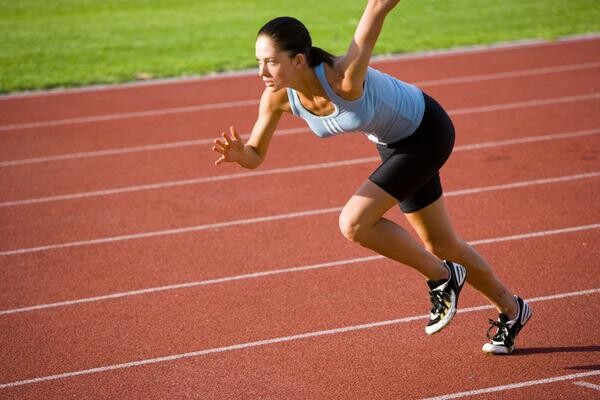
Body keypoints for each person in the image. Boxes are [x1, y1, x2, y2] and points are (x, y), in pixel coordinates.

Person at [212, 0, 531, 354]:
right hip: (394, 145)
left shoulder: (343, 78)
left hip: (427, 132)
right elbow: (256, 154)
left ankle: (442, 276)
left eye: (270, 61)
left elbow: (376, 8)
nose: (261, 71)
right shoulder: (277, 99)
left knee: (354, 222)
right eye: (258, 61)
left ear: (298, 60)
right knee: (442, 244)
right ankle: (512, 310)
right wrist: (241, 155)